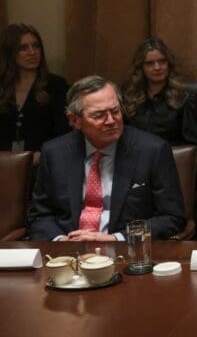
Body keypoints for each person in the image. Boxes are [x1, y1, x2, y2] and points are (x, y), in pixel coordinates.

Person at [27, 76, 185, 241]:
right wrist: (61, 240)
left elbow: (172, 217)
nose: (110, 121)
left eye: (115, 111)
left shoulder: (152, 150)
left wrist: (116, 239)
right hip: (67, 250)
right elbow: (40, 216)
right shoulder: (54, 153)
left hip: (123, 249)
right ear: (75, 120)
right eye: (99, 115)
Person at [122, 37, 197, 151]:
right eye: (150, 63)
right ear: (141, 68)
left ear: (169, 64)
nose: (157, 67)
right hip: (135, 158)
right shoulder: (130, 98)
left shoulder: (185, 99)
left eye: (162, 62)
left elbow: (194, 147)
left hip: (171, 159)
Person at [0, 24, 70, 155]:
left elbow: (63, 131)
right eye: (23, 48)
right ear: (10, 52)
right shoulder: (2, 86)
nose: (32, 52)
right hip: (5, 163)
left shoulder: (56, 85)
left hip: (43, 160)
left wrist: (43, 155)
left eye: (36, 46)